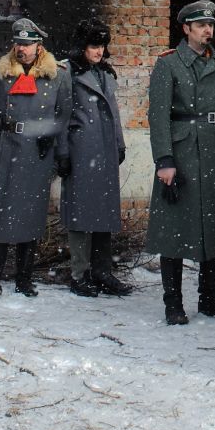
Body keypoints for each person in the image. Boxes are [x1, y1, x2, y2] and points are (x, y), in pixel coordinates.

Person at [145, 0, 215, 325]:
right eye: (201, 25)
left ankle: (210, 297)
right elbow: (158, 116)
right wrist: (164, 159)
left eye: (211, 25)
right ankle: (172, 302)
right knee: (174, 228)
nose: (208, 30)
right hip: (183, 152)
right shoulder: (169, 64)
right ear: (186, 28)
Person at [0, 18, 69, 297]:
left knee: (31, 213)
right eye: (18, 43)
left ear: (38, 46)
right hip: (6, 149)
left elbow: (63, 114)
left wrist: (50, 139)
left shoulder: (59, 75)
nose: (22, 49)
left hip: (37, 152)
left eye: (28, 44)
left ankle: (24, 278)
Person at [61, 18, 132, 297]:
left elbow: (113, 113)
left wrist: (120, 143)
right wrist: (63, 152)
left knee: (105, 213)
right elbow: (60, 116)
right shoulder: (68, 72)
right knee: (81, 215)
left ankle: (103, 271)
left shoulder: (105, 73)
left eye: (102, 45)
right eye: (93, 45)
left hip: (105, 150)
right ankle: (79, 274)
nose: (99, 51)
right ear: (82, 47)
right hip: (82, 151)